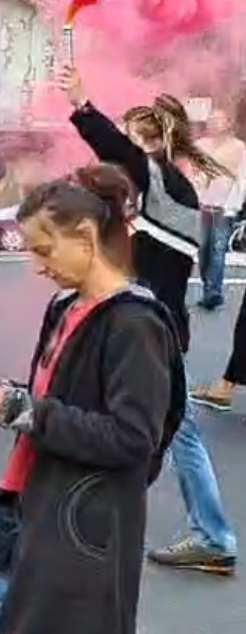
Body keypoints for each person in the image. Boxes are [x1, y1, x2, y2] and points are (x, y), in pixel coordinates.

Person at [0, 164, 183, 634]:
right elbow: (56, 401)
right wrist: (10, 396)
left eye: (44, 249)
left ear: (87, 236)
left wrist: (25, 409)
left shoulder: (135, 324)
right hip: (26, 507)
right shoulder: (64, 307)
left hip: (76, 527)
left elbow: (134, 437)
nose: (36, 265)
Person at [58, 66, 237, 575]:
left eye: (134, 135)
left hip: (150, 327)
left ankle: (205, 533)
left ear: (152, 140)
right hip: (156, 324)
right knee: (170, 432)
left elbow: (120, 154)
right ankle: (205, 532)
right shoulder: (166, 187)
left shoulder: (160, 180)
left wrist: (82, 105)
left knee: (134, 427)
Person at [191, 105, 244, 311]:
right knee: (203, 249)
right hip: (202, 205)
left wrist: (234, 205)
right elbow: (192, 173)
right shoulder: (200, 145)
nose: (213, 123)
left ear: (227, 124)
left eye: (218, 120)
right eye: (211, 120)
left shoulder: (239, 148)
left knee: (218, 249)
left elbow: (242, 179)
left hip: (224, 207)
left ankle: (214, 291)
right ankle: (208, 286)